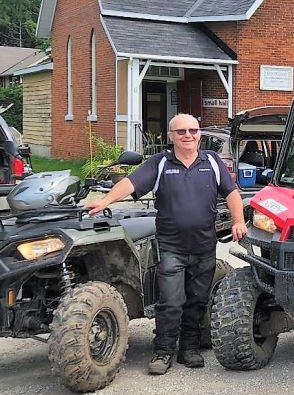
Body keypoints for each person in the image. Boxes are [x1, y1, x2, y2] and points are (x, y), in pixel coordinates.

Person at [86, 113, 248, 375]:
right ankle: (163, 351)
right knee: (171, 302)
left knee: (197, 301)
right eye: (181, 131)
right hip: (172, 247)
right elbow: (131, 183)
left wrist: (238, 221)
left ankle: (190, 349)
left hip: (204, 245)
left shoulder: (212, 162)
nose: (188, 135)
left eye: (193, 130)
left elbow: (231, 193)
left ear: (199, 134)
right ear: (171, 136)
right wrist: (105, 202)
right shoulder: (160, 163)